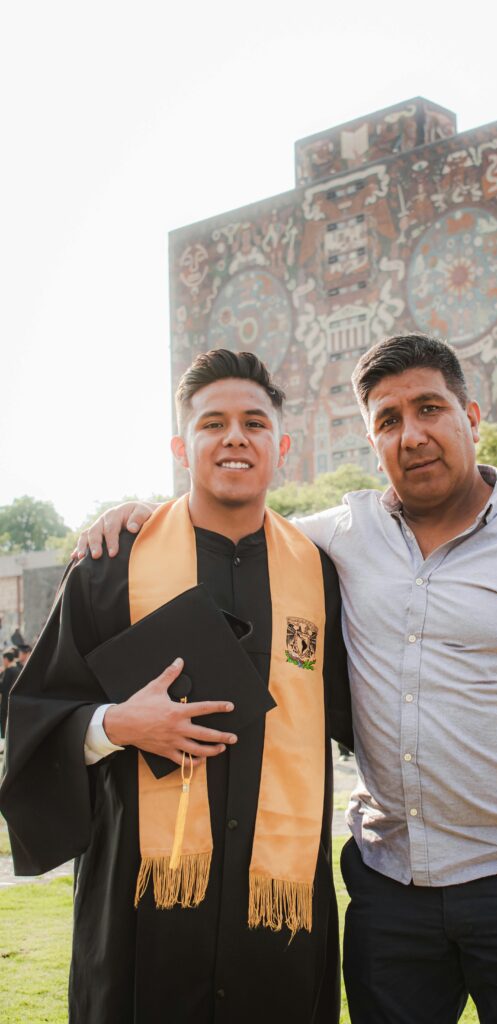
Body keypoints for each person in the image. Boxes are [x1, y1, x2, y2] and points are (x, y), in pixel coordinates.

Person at [76, 334, 497, 1024]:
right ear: (370, 440)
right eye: (387, 420)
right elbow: (231, 516)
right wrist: (137, 513)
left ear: (470, 416)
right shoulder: (332, 541)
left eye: (429, 408)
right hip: (389, 886)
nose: (411, 435)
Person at [0, 350, 352, 1024]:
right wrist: (115, 726)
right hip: (143, 907)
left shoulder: (319, 574)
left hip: (274, 909)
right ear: (179, 445)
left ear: (280, 446)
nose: (233, 437)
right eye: (211, 422)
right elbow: (35, 711)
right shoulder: (111, 567)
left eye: (253, 422)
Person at [0, 647, 21, 739]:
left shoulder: (8, 671)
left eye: (3, 660)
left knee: (5, 725)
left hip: (6, 702)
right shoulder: (17, 669)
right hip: (15, 701)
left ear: (6, 659)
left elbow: (3, 688)